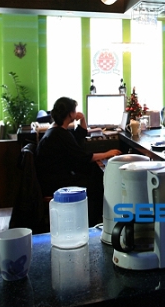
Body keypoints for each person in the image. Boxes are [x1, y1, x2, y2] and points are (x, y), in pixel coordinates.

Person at [36, 97, 121, 226]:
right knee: (96, 183)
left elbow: (78, 136)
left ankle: (96, 218)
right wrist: (107, 154)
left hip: (51, 178)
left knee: (94, 172)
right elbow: (82, 157)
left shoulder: (56, 130)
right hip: (56, 182)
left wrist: (82, 119)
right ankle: (93, 222)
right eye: (74, 111)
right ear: (70, 114)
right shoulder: (60, 134)